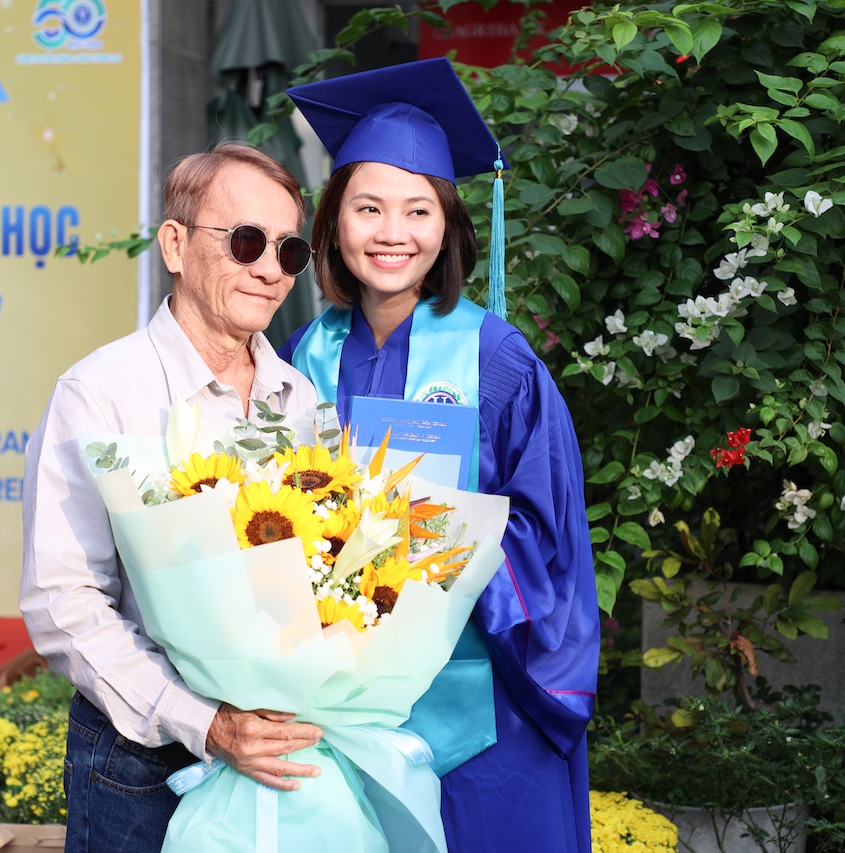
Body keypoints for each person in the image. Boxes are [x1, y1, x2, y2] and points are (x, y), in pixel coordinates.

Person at [282, 58, 601, 853]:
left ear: (449, 226)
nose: (393, 233)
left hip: (484, 709)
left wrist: (412, 537)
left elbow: (548, 534)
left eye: (417, 210)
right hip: (341, 708)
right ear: (334, 221)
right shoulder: (303, 357)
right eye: (368, 208)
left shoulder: (496, 358)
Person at [20, 143, 327, 853]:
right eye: (246, 240)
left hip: (278, 747)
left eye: (289, 250)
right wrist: (206, 722)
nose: (270, 269)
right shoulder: (100, 393)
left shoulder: (300, 398)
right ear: (175, 245)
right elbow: (62, 598)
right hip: (142, 760)